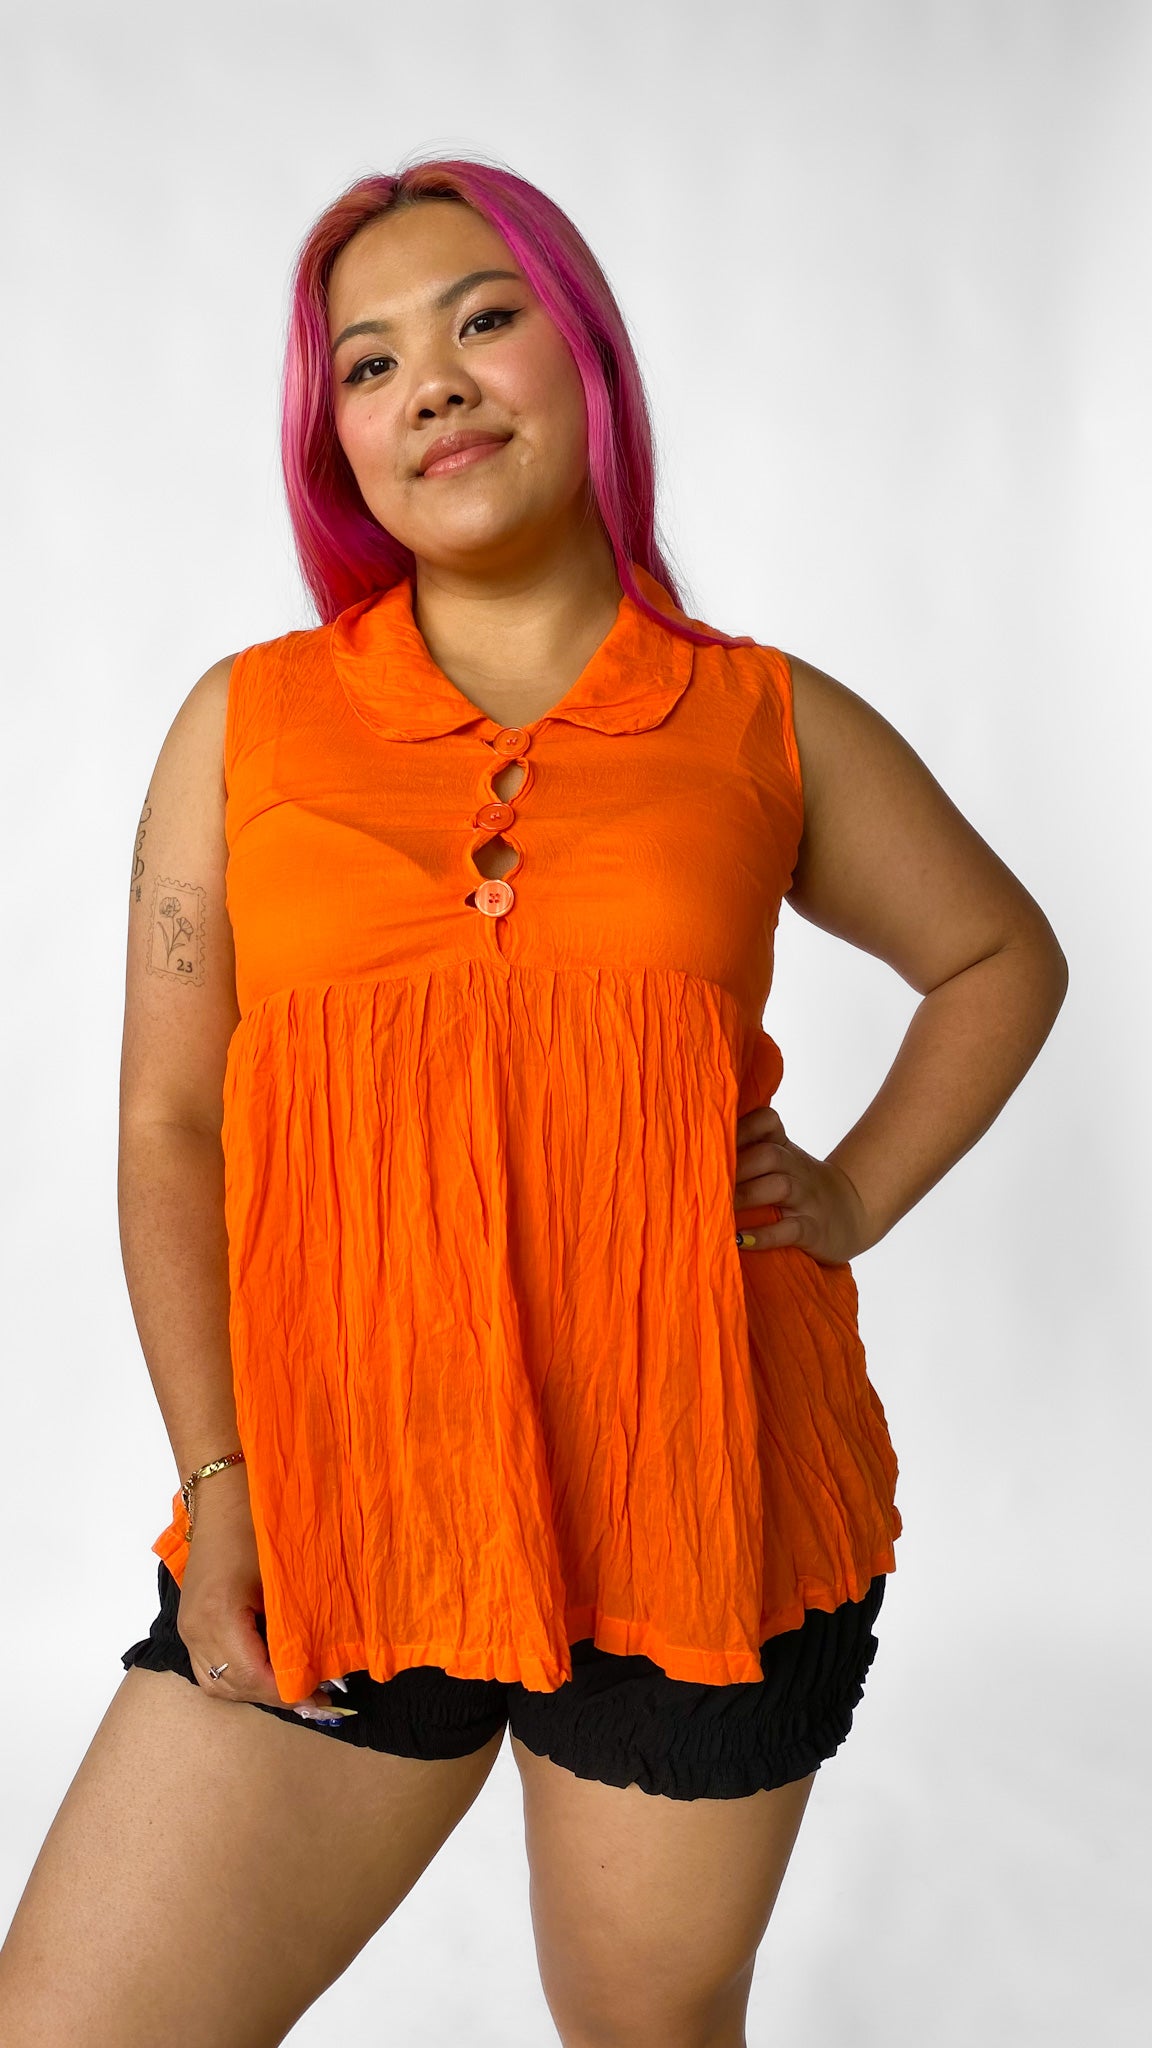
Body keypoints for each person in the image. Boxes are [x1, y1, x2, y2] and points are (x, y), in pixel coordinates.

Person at [0, 157, 1068, 2047]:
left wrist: (851, 1193)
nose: (432, 382)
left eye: (483, 319)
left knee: (645, 2033)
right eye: (367, 363)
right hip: (348, 1509)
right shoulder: (243, 727)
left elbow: (1000, 957)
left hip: (698, 1501)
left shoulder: (761, 720)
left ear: (585, 359)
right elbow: (171, 1126)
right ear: (336, 443)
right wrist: (220, 1482)